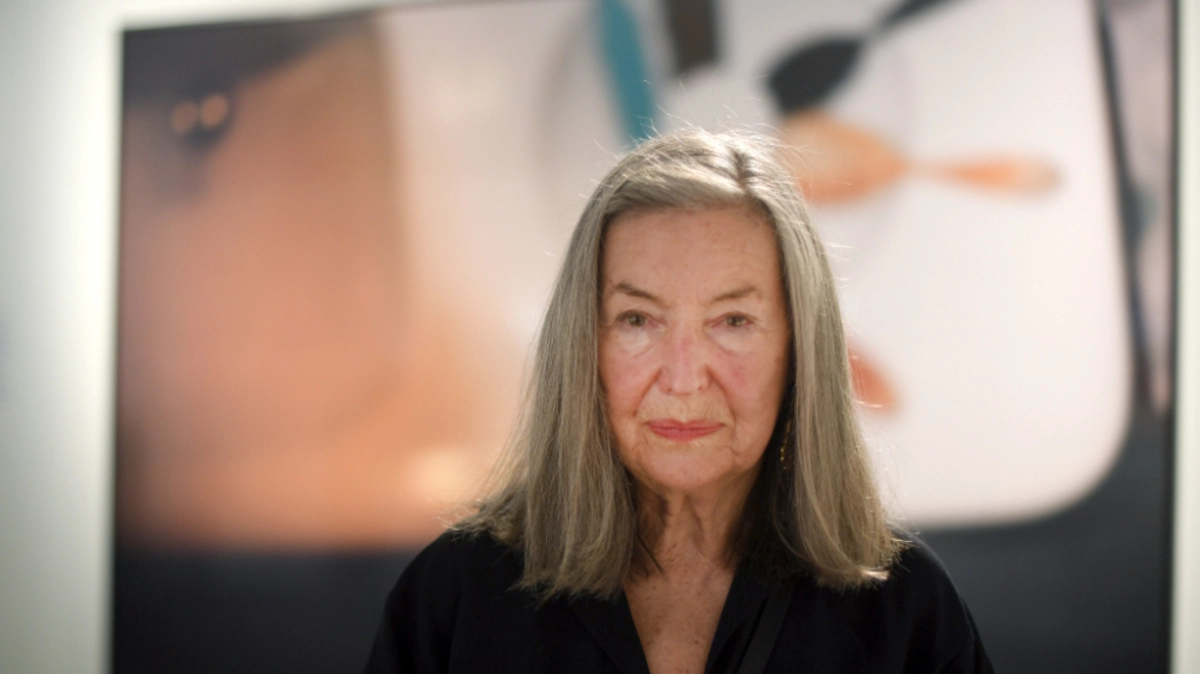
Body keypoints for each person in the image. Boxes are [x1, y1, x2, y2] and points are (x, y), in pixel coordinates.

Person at [364, 129, 993, 673]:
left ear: (799, 350)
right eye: (637, 320)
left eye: (733, 321)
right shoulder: (454, 597)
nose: (685, 379)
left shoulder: (903, 608)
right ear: (584, 347)